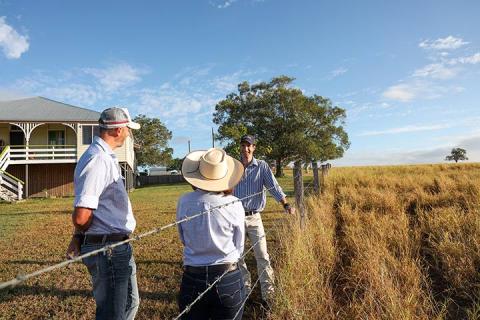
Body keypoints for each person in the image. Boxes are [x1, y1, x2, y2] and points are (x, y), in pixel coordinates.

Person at [65, 107, 141, 320]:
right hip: (107, 250)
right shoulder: (98, 159)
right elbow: (81, 216)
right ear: (118, 130)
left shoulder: (104, 157)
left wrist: (78, 236)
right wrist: (82, 233)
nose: (128, 134)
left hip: (114, 246)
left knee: (130, 304)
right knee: (112, 314)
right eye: (128, 129)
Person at [177, 148, 246, 320]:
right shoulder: (234, 203)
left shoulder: (184, 201)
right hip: (227, 275)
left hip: (193, 276)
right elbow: (239, 244)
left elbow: (183, 238)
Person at [233, 134, 295, 304]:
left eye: (249, 145)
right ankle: (244, 290)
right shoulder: (234, 166)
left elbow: (273, 186)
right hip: (235, 218)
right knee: (238, 257)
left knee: (262, 255)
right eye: (243, 145)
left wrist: (286, 204)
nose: (245, 148)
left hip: (254, 217)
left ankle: (268, 294)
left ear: (253, 148)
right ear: (240, 147)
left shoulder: (262, 166)